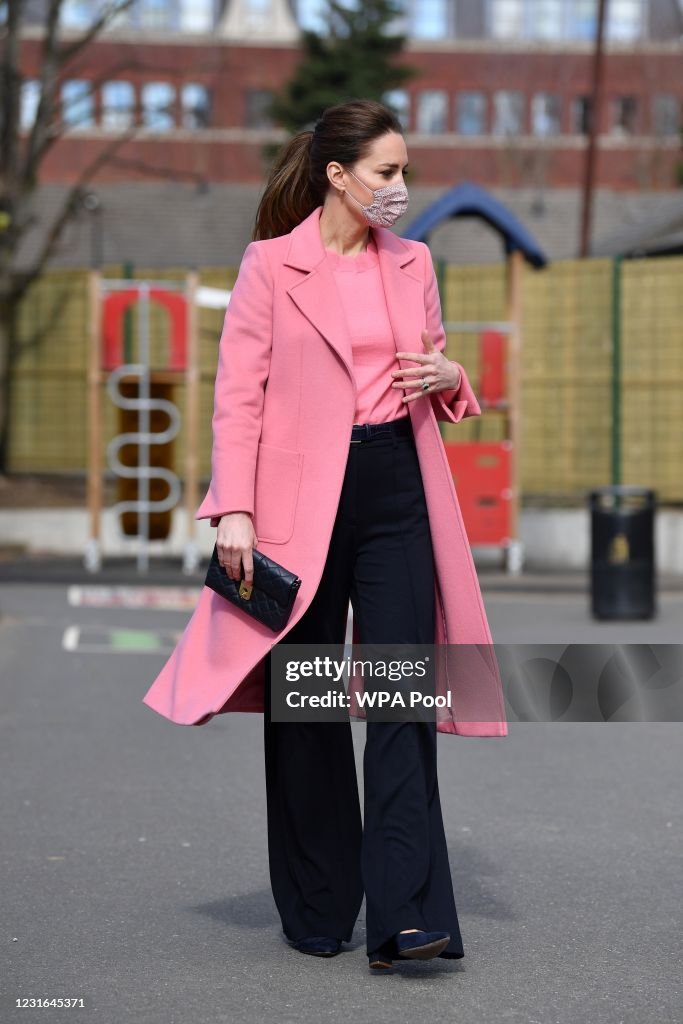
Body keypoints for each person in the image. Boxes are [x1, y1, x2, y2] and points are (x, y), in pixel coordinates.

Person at [141, 97, 508, 973]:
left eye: (403, 171)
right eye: (386, 172)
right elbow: (239, 396)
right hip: (297, 507)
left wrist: (454, 375)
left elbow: (434, 368)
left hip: (395, 493)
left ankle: (406, 914)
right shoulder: (270, 265)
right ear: (338, 175)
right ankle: (315, 904)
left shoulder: (412, 261)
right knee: (303, 705)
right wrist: (233, 507)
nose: (400, 188)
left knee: (397, 698)